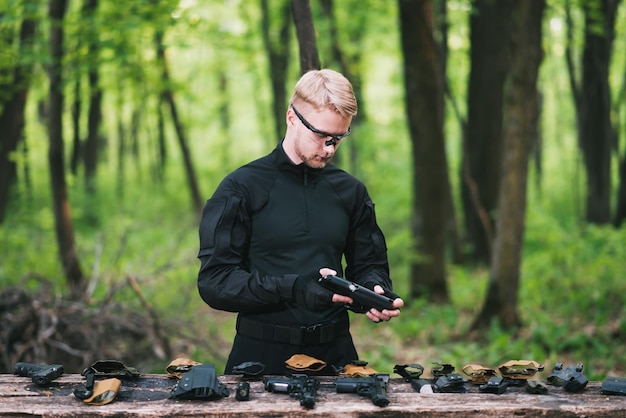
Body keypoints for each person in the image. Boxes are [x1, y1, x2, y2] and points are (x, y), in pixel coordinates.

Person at [197, 69, 403, 375]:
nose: (330, 148)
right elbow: (215, 282)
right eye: (321, 135)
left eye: (339, 137)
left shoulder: (350, 191)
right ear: (291, 118)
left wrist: (373, 289)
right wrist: (295, 288)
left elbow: (368, 262)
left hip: (336, 356)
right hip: (259, 357)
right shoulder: (241, 188)